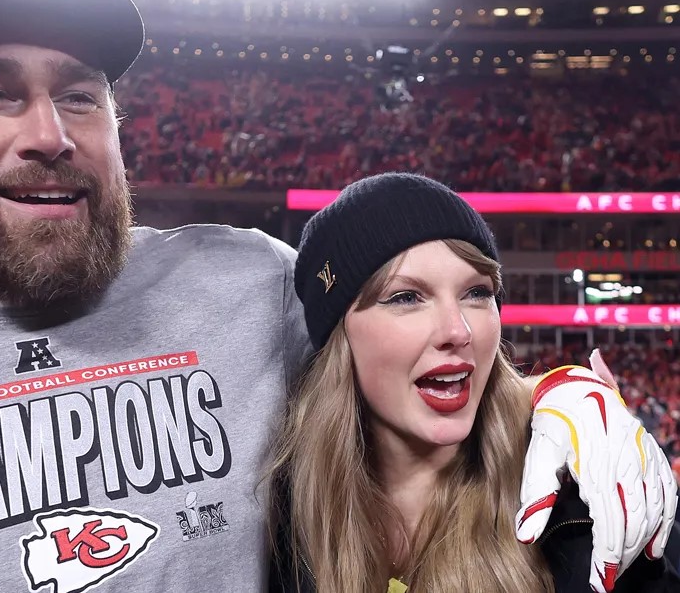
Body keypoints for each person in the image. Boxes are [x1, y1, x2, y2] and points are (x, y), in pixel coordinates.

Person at [0, 0, 673, 592]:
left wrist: (554, 402)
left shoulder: (249, 283)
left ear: (119, 129)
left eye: (81, 95)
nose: (48, 132)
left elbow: (417, 341)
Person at [270, 173, 680, 593]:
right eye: (406, 297)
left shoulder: (581, 493)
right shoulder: (271, 513)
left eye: (477, 293)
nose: (458, 330)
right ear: (339, 339)